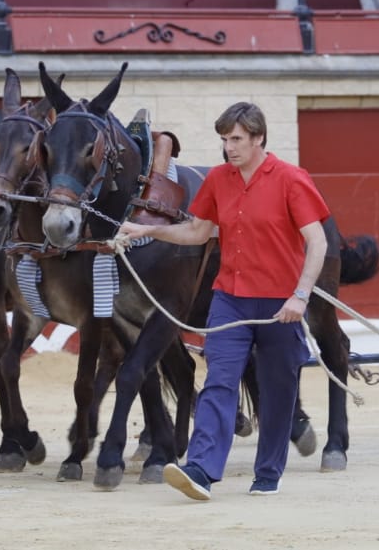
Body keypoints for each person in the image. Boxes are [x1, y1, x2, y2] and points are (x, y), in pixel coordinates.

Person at [114, 102, 327, 500]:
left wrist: (300, 296)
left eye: (237, 139)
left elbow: (317, 241)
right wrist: (143, 230)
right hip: (230, 299)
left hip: (281, 304)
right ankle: (202, 469)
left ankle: (268, 471)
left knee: (279, 389)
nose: (229, 147)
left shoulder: (291, 179)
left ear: (259, 138)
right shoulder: (218, 179)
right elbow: (197, 232)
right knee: (219, 381)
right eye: (225, 139)